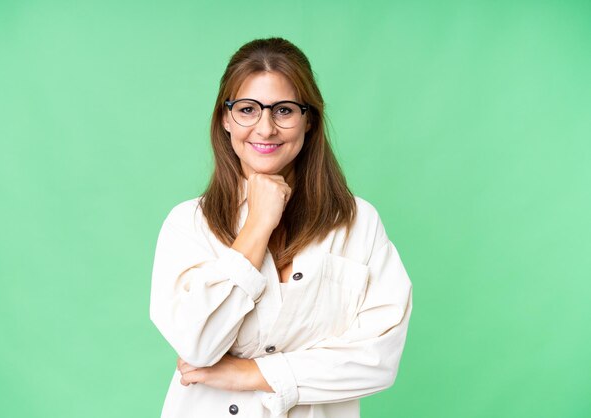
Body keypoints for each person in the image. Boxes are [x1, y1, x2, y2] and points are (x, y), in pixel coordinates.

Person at [150, 37, 413, 418]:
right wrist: (257, 224)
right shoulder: (188, 225)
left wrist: (251, 373)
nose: (265, 128)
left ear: (309, 119)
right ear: (225, 118)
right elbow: (198, 346)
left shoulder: (358, 223)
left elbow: (378, 358)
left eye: (284, 110)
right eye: (247, 109)